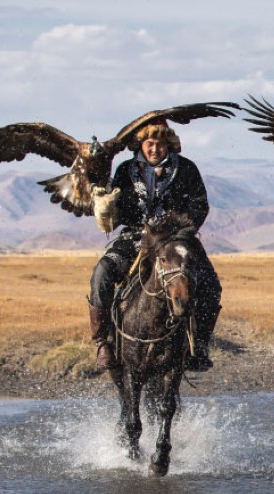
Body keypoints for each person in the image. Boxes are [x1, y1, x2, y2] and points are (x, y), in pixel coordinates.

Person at [88, 120, 222, 371]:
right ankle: (103, 342)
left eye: (160, 144)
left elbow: (200, 205)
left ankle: (199, 345)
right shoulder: (126, 169)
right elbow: (117, 213)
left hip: (176, 240)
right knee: (101, 275)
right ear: (141, 144)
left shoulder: (186, 169)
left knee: (211, 286)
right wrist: (106, 207)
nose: (155, 149)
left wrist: (181, 230)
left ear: (169, 145)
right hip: (135, 238)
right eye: (150, 144)